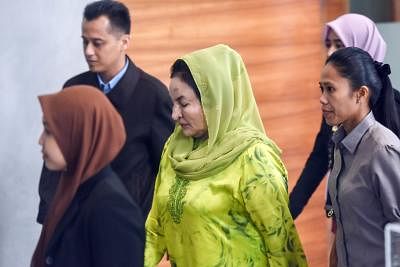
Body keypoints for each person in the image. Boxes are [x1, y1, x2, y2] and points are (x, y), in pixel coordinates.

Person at [145, 44, 307, 267]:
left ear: (214, 101)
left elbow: (283, 248)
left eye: (183, 103)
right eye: (173, 104)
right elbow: (154, 229)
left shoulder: (253, 158)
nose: (174, 115)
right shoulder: (176, 149)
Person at [37, 0, 174, 223]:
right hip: (75, 227)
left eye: (98, 43)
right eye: (85, 42)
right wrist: (49, 217)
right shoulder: (73, 89)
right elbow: (54, 159)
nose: (88, 51)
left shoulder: (154, 96)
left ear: (124, 42)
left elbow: (168, 171)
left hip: (127, 229)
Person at [289, 13, 400, 219]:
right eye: (328, 44)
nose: (330, 52)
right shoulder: (335, 108)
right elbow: (320, 157)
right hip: (342, 210)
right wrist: (288, 213)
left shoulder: (393, 112)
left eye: (339, 44)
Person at [31, 86, 144, 267]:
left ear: (79, 133)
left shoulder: (112, 207)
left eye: (49, 131)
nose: (40, 140)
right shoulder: (72, 188)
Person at [319, 47, 400, 267]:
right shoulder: (340, 145)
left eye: (330, 89)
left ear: (361, 94)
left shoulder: (383, 150)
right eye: (321, 89)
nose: (322, 99)